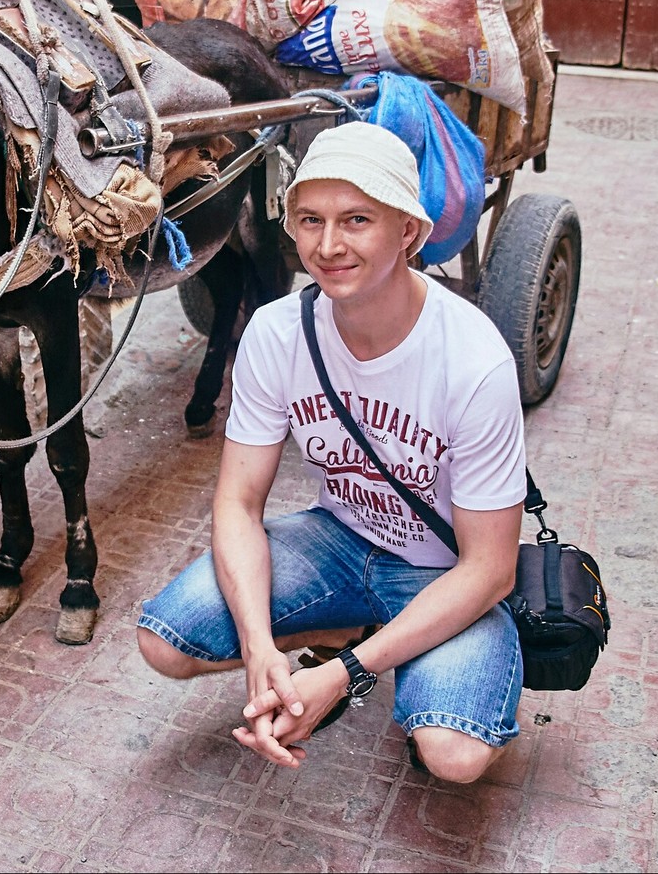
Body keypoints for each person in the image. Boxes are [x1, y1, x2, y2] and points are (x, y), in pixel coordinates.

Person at [135, 121, 527, 783]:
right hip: (340, 542)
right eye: (310, 219)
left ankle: (386, 649)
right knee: (164, 640)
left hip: (444, 570)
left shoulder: (474, 359)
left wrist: (344, 676)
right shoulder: (277, 332)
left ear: (407, 231)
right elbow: (238, 500)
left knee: (454, 756)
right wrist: (261, 647)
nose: (329, 244)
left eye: (356, 220)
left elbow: (491, 568)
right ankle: (355, 632)